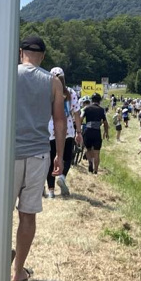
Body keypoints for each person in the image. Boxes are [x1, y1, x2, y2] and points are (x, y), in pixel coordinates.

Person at [0, 35, 67, 281]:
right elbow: (59, 120)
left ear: (20, 52)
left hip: (6, 154)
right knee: (28, 215)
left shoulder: (6, 74)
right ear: (43, 56)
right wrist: (59, 153)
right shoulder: (53, 82)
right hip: (38, 154)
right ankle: (18, 271)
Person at [49, 67, 83, 197]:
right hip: (67, 128)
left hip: (50, 129)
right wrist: (78, 132)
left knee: (51, 159)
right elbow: (77, 113)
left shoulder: (48, 92)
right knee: (67, 157)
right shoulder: (70, 92)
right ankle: (62, 176)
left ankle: (51, 190)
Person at [81, 93, 109, 174]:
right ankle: (96, 170)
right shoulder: (102, 110)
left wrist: (78, 129)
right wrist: (106, 133)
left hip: (88, 130)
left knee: (87, 149)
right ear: (99, 101)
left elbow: (81, 118)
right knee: (97, 152)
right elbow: (105, 123)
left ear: (91, 100)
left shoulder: (86, 108)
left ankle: (90, 162)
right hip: (97, 132)